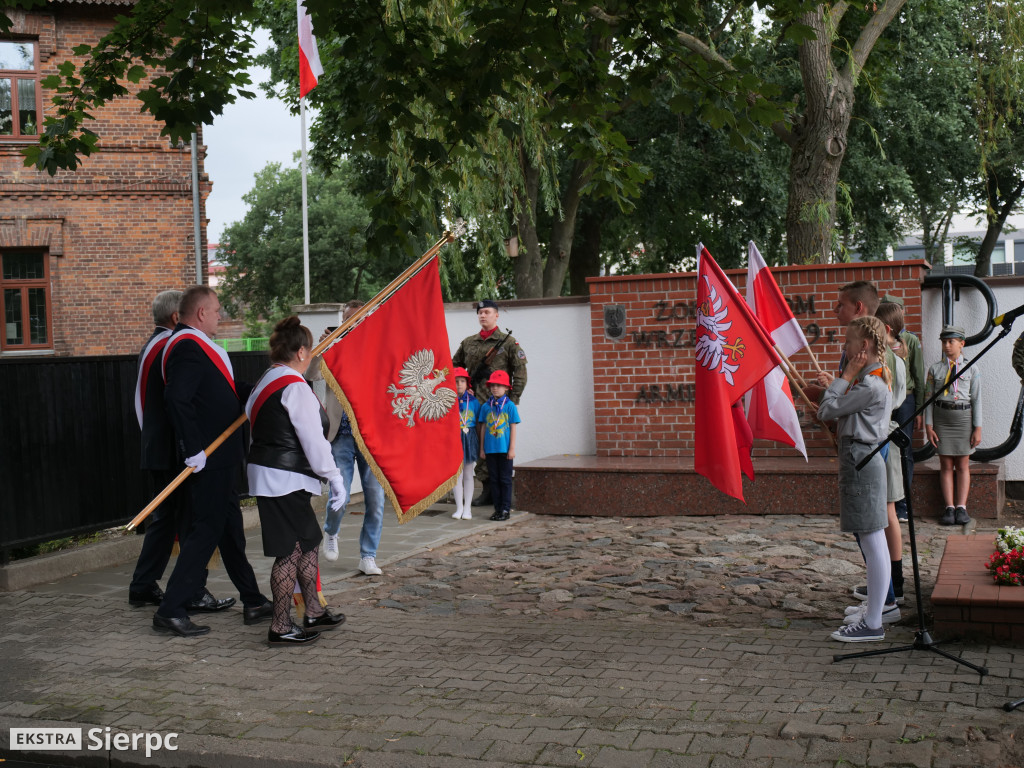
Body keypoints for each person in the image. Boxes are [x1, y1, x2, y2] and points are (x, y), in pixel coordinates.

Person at [153, 286, 272, 637]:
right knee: (205, 532)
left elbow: (231, 389)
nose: (221, 315)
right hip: (208, 459)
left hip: (220, 458)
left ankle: (253, 600)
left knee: (230, 532)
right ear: (201, 313)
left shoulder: (201, 346)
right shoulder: (186, 347)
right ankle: (171, 609)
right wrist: (194, 448)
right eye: (217, 309)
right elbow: (177, 398)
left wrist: (274, 387)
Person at [245, 317, 348, 646]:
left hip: (275, 474)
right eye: (311, 349)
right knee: (289, 552)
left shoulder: (267, 379)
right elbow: (313, 441)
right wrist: (335, 476)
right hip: (285, 478)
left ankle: (314, 610)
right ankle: (279, 626)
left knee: (308, 541)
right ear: (302, 350)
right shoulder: (294, 386)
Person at [129, 289, 211, 608]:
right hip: (172, 446)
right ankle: (190, 590)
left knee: (165, 519)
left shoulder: (155, 343)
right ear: (177, 317)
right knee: (187, 519)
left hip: (158, 443)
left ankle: (144, 584)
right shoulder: (170, 345)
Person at [816, 316, 894, 643]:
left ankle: (874, 621)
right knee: (870, 539)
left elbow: (826, 411)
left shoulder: (869, 384)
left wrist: (843, 377)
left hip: (861, 460)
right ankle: (874, 610)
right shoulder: (870, 380)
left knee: (873, 541)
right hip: (861, 458)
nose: (843, 347)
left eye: (848, 342)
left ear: (863, 347)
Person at [308, 300, 387, 576]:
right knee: (338, 493)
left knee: (376, 498)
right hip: (340, 433)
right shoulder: (333, 347)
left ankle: (368, 555)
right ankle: (331, 531)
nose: (351, 322)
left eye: (357, 318)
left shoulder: (376, 347)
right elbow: (311, 374)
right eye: (347, 318)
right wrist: (321, 349)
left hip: (370, 435)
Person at [452, 300, 527, 507]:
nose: (483, 315)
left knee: (498, 446)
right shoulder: (468, 343)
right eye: (480, 313)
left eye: (487, 312)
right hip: (473, 404)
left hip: (497, 406)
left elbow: (520, 374)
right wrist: (462, 384)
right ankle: (486, 488)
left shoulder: (509, 343)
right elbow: (454, 366)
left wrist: (511, 402)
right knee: (477, 445)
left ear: (496, 315)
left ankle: (496, 491)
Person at [925, 324, 982, 525]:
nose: (947, 346)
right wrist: (928, 426)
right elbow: (929, 399)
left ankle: (961, 507)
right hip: (942, 419)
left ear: (962, 344)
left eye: (951, 341)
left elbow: (976, 399)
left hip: (963, 419)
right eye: (944, 342)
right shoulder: (935, 369)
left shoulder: (972, 368)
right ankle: (949, 507)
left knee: (963, 465)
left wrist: (978, 427)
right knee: (946, 464)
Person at [880, 295, 925, 522]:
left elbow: (918, 374)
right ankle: (887, 498)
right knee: (884, 450)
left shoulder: (911, 340)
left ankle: (903, 503)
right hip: (884, 399)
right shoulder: (879, 340)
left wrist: (919, 409)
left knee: (904, 451)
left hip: (905, 401)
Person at [479, 370, 520, 522]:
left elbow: (513, 427)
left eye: (499, 385)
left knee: (505, 479)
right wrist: (482, 448)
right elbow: (483, 428)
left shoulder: (509, 406)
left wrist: (512, 449)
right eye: (493, 385)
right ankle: (497, 509)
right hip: (490, 449)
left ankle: (505, 509)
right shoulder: (486, 406)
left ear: (506, 388)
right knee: (494, 479)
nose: (495, 388)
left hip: (504, 450)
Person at [452, 366, 480, 520]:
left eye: (462, 381)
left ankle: (467, 508)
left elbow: (478, 422)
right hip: (455, 438)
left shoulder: (474, 402)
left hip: (469, 438)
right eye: (456, 381)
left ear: (467, 383)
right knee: (457, 475)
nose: (459, 384)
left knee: (469, 473)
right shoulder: (449, 401)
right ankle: (459, 507)